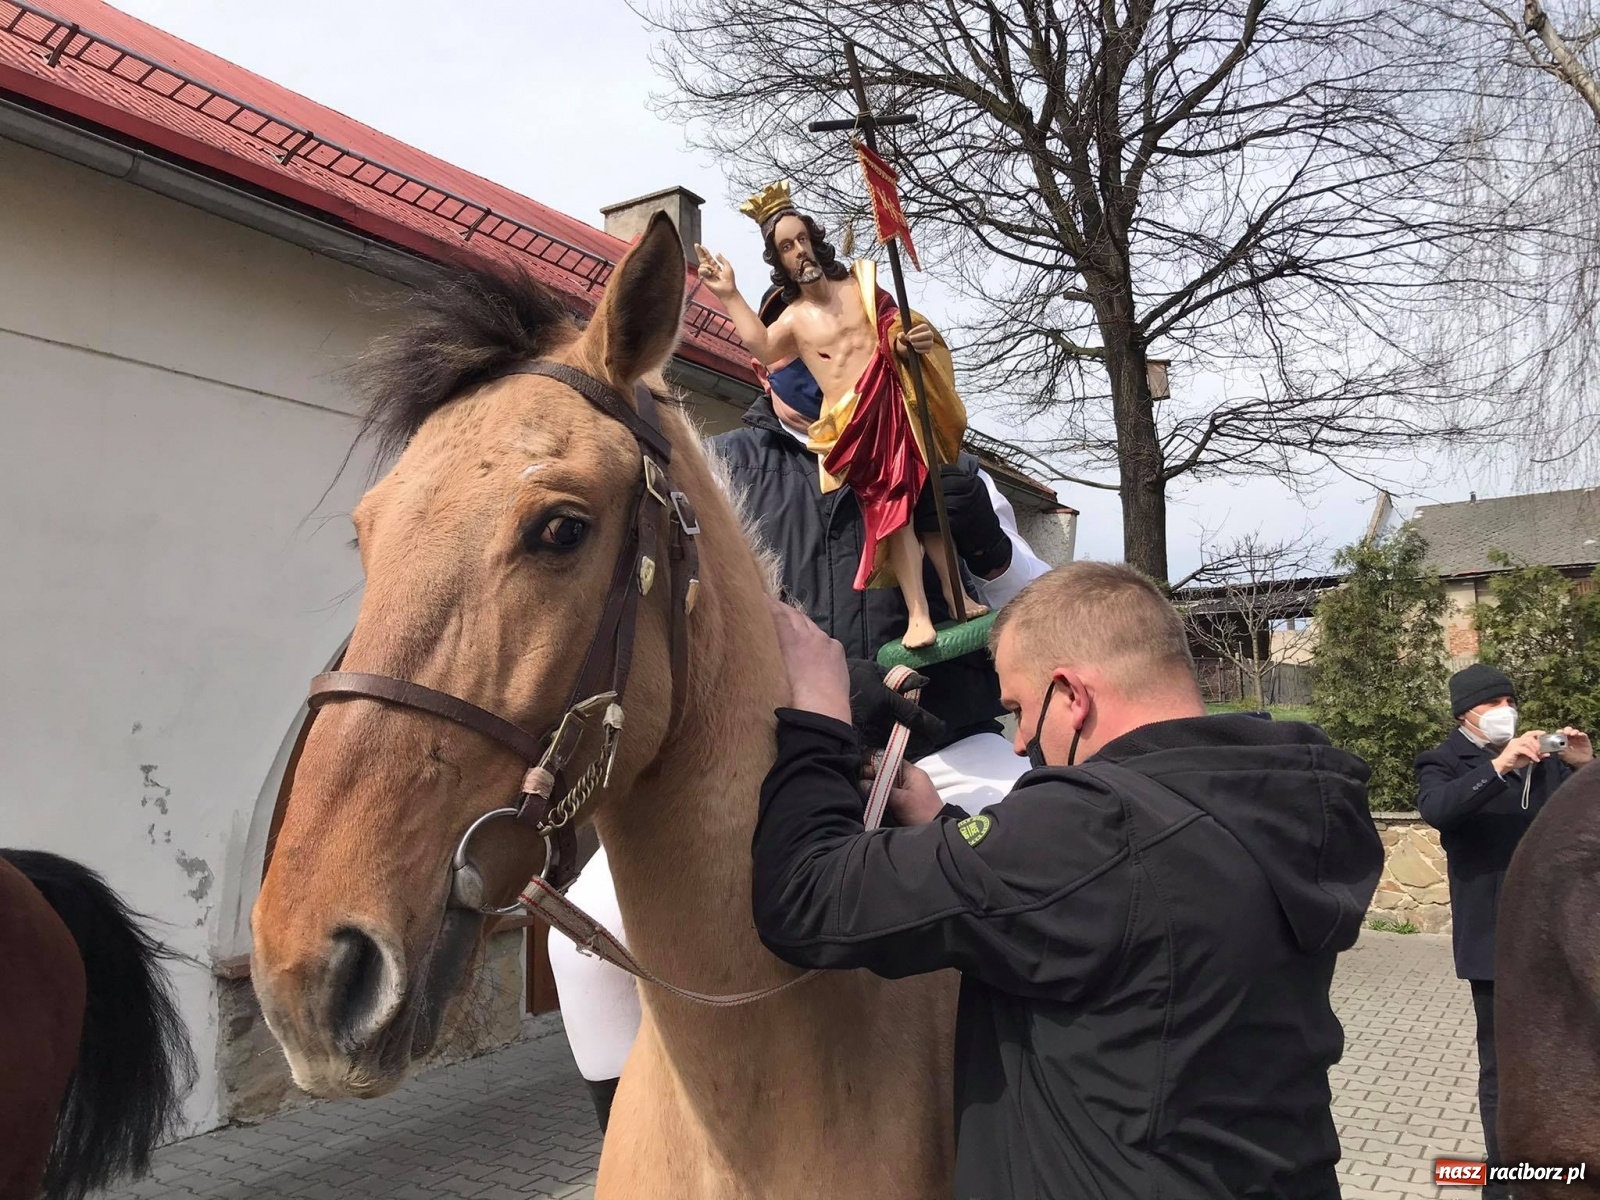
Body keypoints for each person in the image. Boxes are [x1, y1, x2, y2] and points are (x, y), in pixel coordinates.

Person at [549, 211, 1054, 1131]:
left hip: (944, 751)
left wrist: (982, 536)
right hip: (780, 768)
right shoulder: (720, 472)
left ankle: (1023, 1130)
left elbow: (1045, 606)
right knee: (581, 944)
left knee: (1043, 880)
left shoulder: (941, 455)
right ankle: (628, 1148)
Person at [754, 561, 1384, 1198]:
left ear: (1073, 695)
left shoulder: (1093, 828)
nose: (1020, 741)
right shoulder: (1281, 802)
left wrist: (822, 717)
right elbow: (1113, 908)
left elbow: (805, 896)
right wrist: (944, 826)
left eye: (1020, 710)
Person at [697, 180, 984, 647]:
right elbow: (763, 347)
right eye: (786, 247)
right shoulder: (793, 319)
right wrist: (729, 294)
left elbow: (893, 324)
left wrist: (908, 340)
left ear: (815, 239)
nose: (799, 252)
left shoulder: (859, 286)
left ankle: (956, 596)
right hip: (856, 424)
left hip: (896, 405)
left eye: (802, 240)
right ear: (778, 261)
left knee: (930, 500)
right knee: (894, 514)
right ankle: (917, 613)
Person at [1415, 664, 1592, 1197]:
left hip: (1557, 937)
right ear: (1464, 713)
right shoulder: (1443, 761)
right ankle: (1505, 1183)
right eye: (1492, 702)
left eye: (1510, 700)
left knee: (1569, 1058)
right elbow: (1438, 810)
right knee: (1504, 1067)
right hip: (1494, 942)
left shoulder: (1548, 761)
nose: (1505, 710)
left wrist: (1588, 768)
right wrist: (1498, 766)